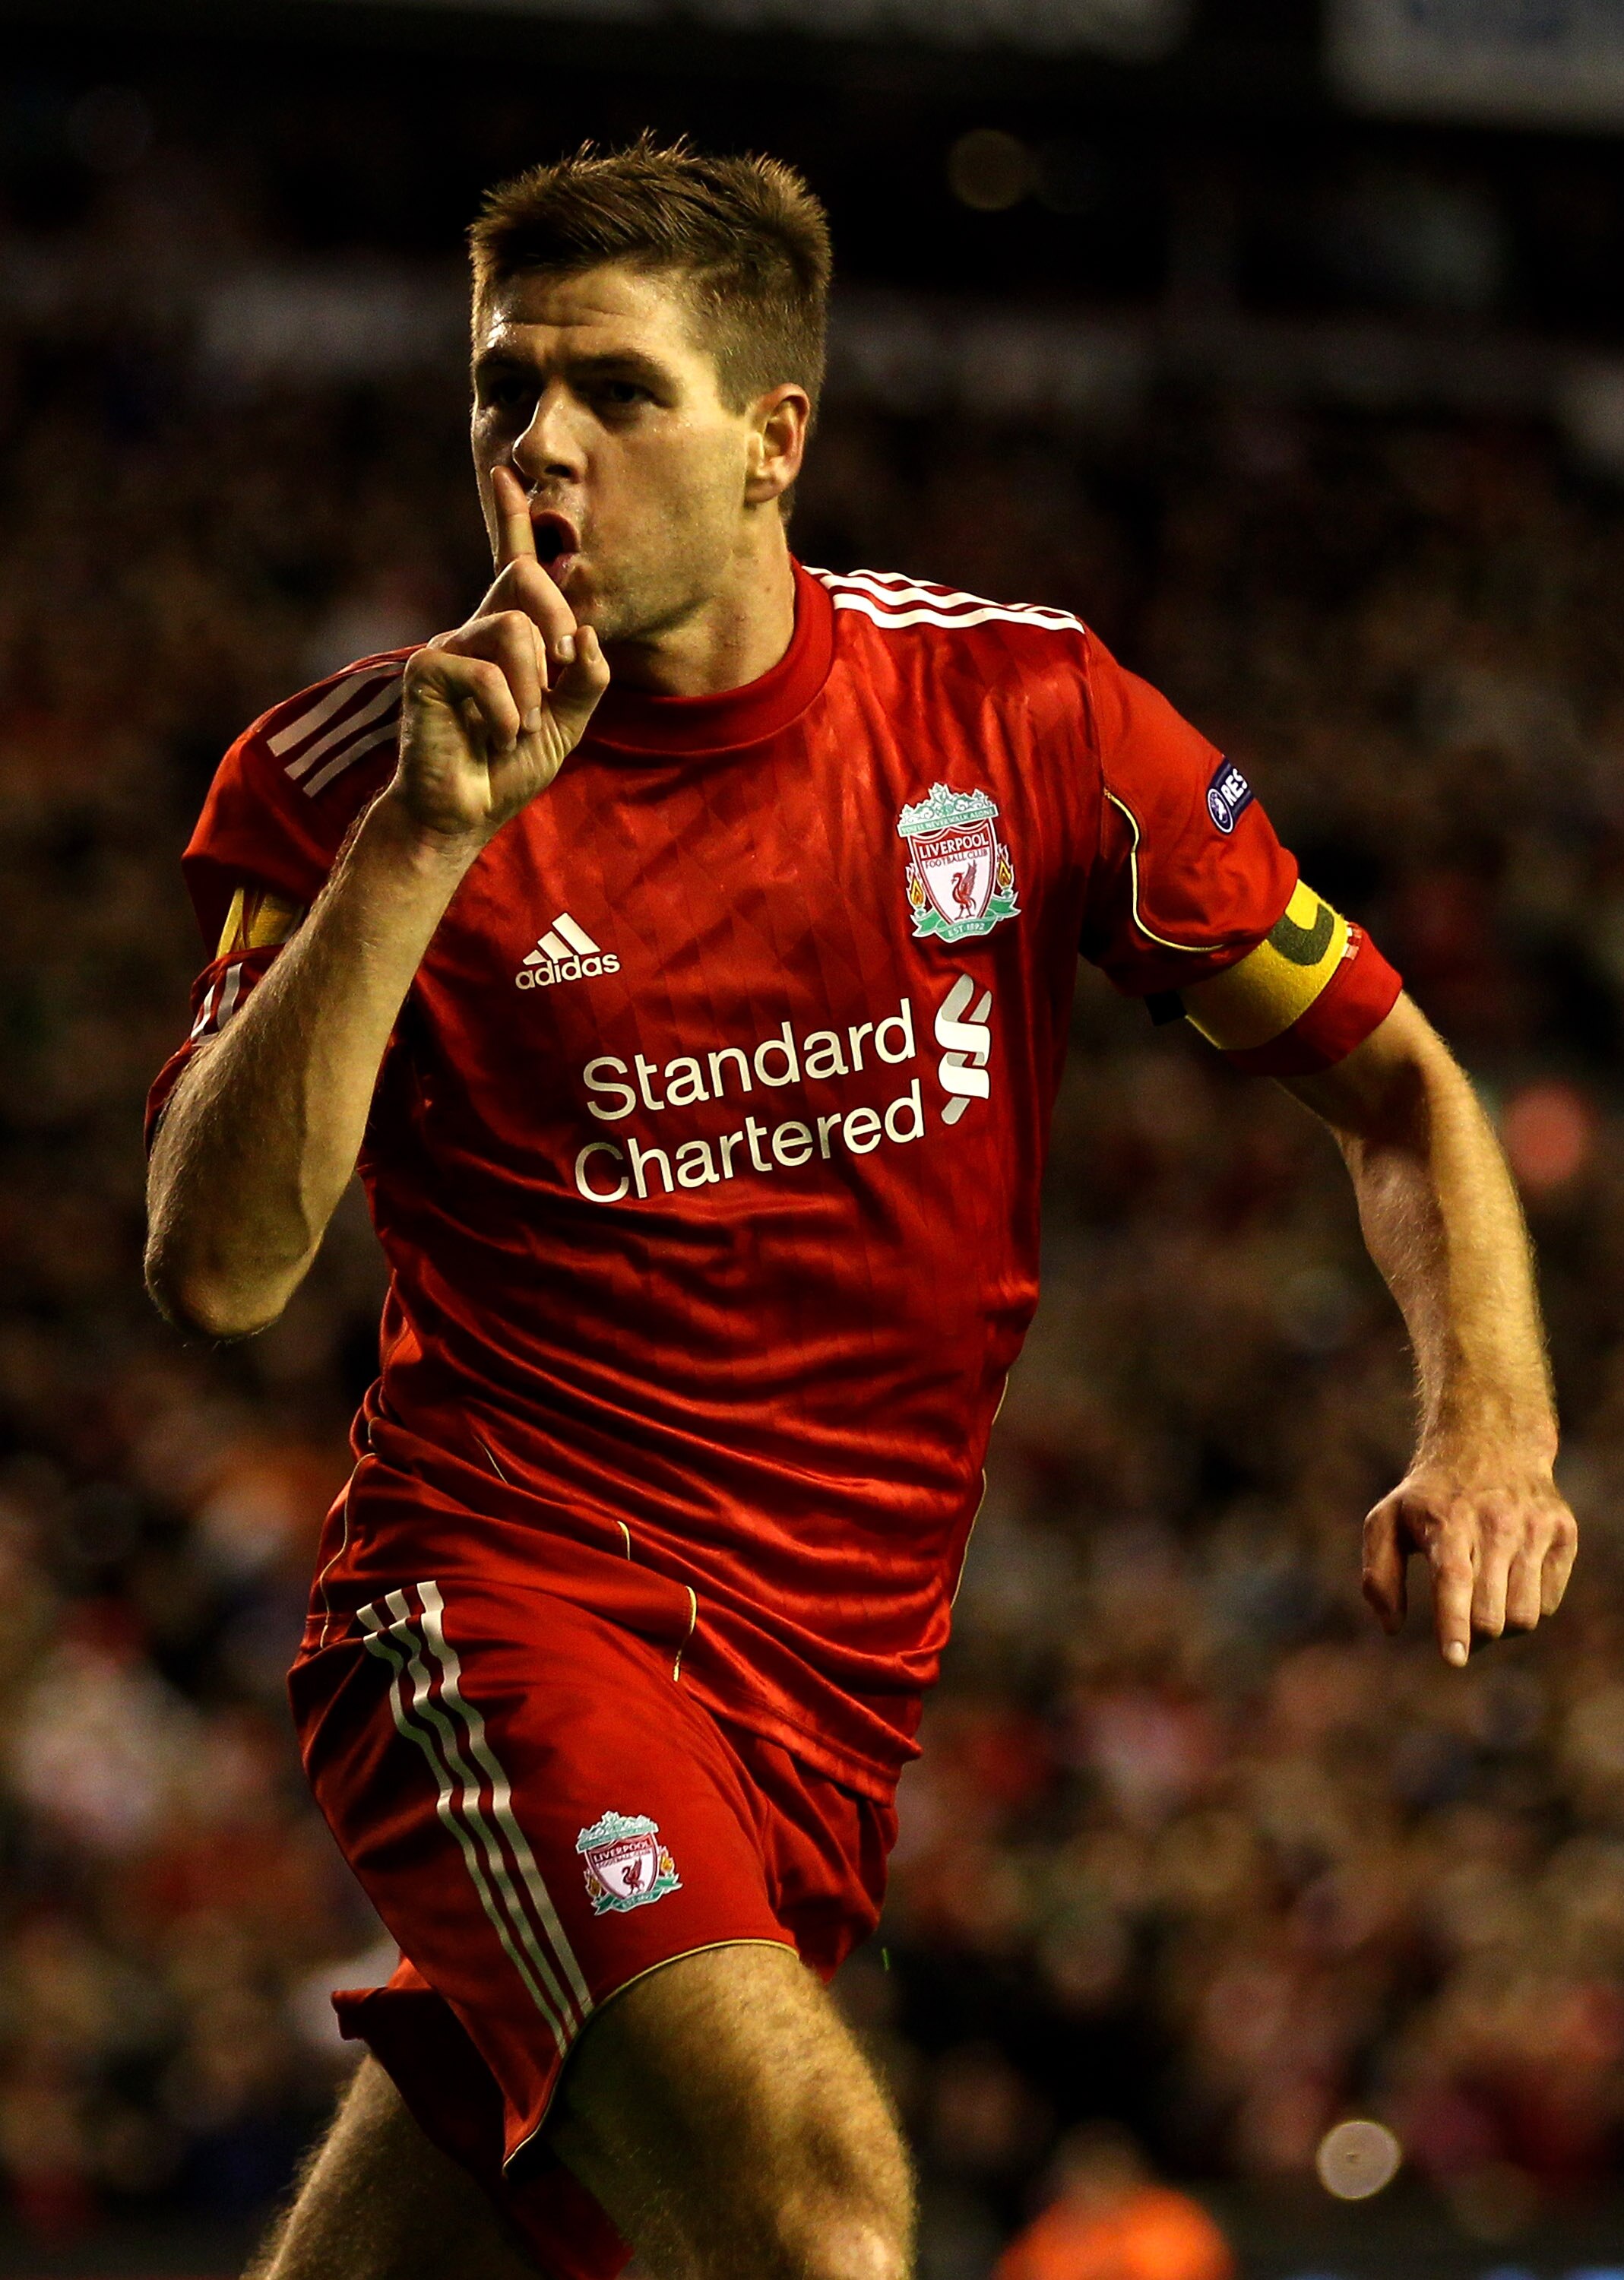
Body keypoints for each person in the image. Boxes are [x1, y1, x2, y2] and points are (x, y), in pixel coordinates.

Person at [142, 139, 1576, 2280]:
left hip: (822, 1702)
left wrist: (1491, 1424)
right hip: (505, 1613)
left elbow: (1397, 1079)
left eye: (615, 392)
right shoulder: (348, 781)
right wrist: (429, 849)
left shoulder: (1023, 717)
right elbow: (220, 1264)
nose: (538, 445)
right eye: (500, 390)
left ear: (771, 442)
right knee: (818, 2221)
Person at [994, 2127, 1233, 2280]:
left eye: (1105, 2174)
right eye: (1085, 2178)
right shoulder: (1049, 2237)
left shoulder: (1174, 2224)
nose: (1094, 2190)